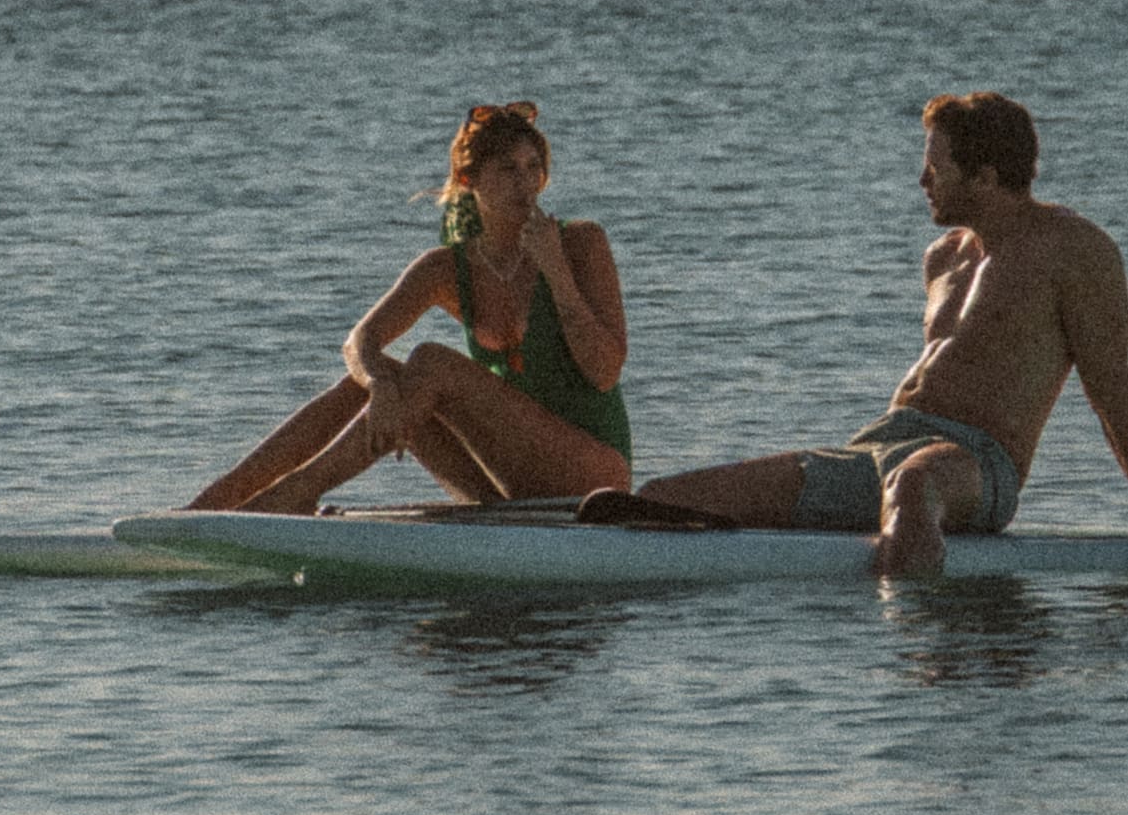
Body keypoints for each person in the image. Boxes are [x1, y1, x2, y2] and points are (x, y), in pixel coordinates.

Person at [581, 92, 1128, 576]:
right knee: (659, 500)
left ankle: (902, 664)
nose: (922, 182)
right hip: (878, 445)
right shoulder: (943, 259)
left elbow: (1115, 392)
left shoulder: (1072, 249)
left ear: (985, 177)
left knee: (912, 488)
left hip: (974, 464)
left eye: (936, 169)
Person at [186, 102, 634, 513]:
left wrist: (556, 273)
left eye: (533, 168)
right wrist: (380, 383)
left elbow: (603, 372)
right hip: (509, 486)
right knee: (366, 383)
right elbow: (359, 341)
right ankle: (212, 505)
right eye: (507, 169)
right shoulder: (446, 268)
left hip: (594, 479)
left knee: (432, 362)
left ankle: (296, 492)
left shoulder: (579, 243)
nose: (525, 183)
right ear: (468, 180)